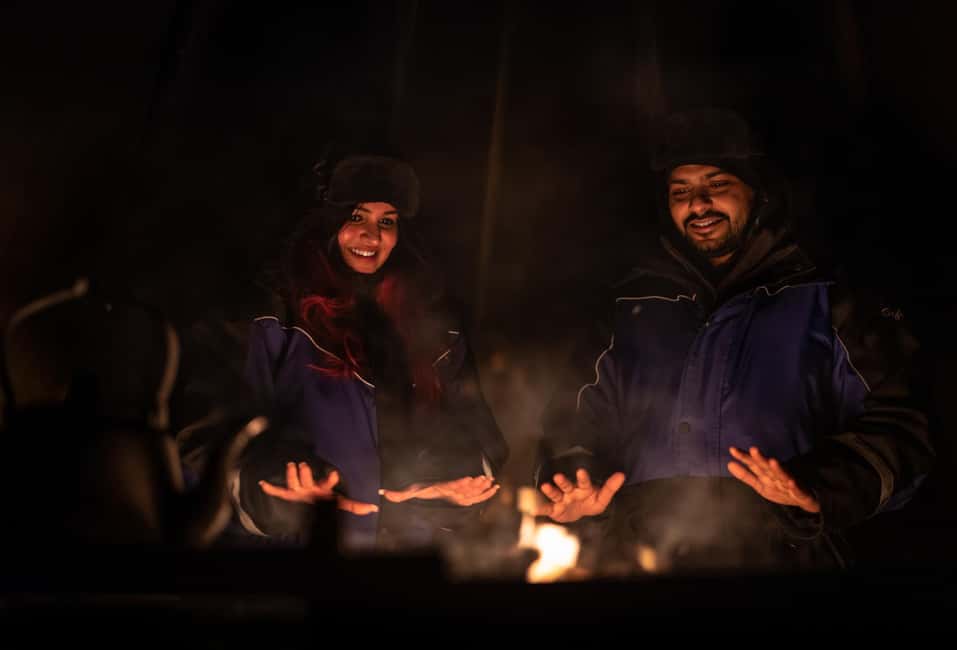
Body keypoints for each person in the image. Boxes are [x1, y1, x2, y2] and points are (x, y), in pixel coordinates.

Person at [535, 108, 934, 571]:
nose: (698, 204)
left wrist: (815, 489)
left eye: (717, 184)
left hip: (784, 564)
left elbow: (903, 429)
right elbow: (569, 424)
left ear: (758, 191)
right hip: (641, 565)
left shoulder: (828, 300)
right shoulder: (628, 308)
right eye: (681, 191)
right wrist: (571, 480)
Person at [231, 154, 508, 551]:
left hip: (400, 561)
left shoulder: (434, 326)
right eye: (357, 216)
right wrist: (279, 489)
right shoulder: (274, 314)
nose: (372, 236)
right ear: (326, 220)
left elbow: (477, 437)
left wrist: (444, 484)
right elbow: (218, 440)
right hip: (297, 560)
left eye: (387, 221)